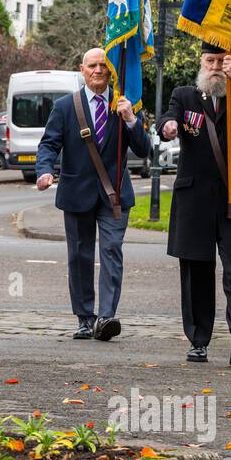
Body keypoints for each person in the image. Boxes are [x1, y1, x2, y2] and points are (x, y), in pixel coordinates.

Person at [158, 43, 231, 366]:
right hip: (194, 198)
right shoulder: (185, 95)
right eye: (210, 61)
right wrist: (168, 127)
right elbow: (168, 118)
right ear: (201, 62)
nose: (214, 67)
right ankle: (198, 340)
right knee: (196, 269)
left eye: (221, 62)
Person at [35, 47, 150, 342]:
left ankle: (106, 317)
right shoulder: (64, 106)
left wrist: (131, 120)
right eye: (92, 66)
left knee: (111, 251)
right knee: (79, 255)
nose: (98, 70)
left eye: (102, 65)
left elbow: (144, 149)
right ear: (82, 70)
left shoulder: (124, 104)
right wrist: (44, 171)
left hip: (115, 195)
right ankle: (85, 317)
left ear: (110, 70)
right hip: (76, 193)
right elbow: (48, 144)